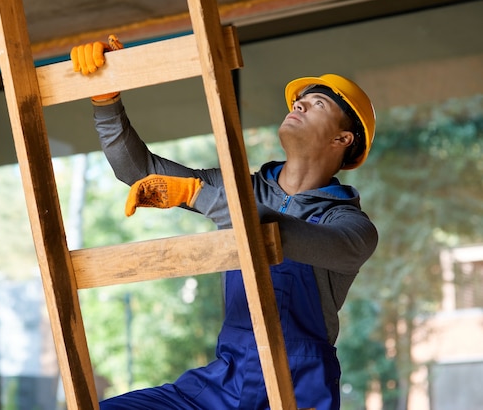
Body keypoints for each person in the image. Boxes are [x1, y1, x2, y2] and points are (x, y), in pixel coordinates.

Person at [71, 38, 379, 410]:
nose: (299, 104)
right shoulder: (239, 188)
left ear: (342, 138)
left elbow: (268, 231)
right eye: (300, 100)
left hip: (301, 388)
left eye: (317, 104)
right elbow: (140, 171)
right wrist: (106, 101)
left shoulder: (350, 226)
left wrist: (196, 194)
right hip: (226, 379)